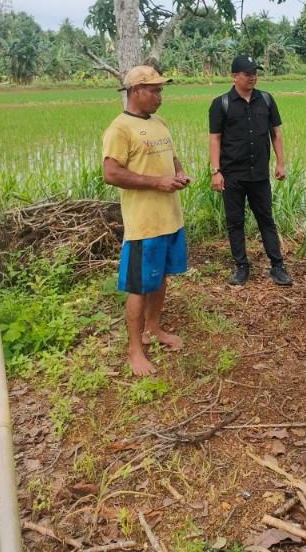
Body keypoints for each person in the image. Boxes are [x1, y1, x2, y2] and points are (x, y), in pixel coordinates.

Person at [102, 65, 191, 376]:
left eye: (160, 89)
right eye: (154, 90)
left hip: (170, 218)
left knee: (161, 276)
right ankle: (135, 349)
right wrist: (156, 182)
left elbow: (172, 156)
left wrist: (178, 173)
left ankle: (154, 328)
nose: (159, 96)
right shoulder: (119, 129)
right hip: (144, 225)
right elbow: (110, 173)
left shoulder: (158, 122)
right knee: (139, 286)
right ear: (135, 91)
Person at [209, 54, 291, 286]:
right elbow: (215, 138)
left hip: (259, 175)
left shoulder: (266, 99)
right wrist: (216, 171)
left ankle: (277, 266)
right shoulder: (221, 104)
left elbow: (276, 133)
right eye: (247, 73)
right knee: (235, 221)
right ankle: (241, 266)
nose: (252, 77)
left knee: (266, 219)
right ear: (234, 76)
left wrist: (280, 163)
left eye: (255, 73)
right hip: (233, 174)